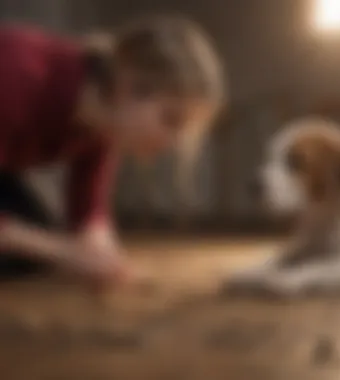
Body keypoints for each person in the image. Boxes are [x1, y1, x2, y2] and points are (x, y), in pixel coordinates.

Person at [0, 15, 224, 285]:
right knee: (34, 248)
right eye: (170, 119)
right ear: (128, 86)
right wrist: (64, 251)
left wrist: (106, 260)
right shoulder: (18, 75)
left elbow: (88, 215)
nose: (173, 142)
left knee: (32, 248)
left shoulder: (105, 123)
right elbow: (70, 246)